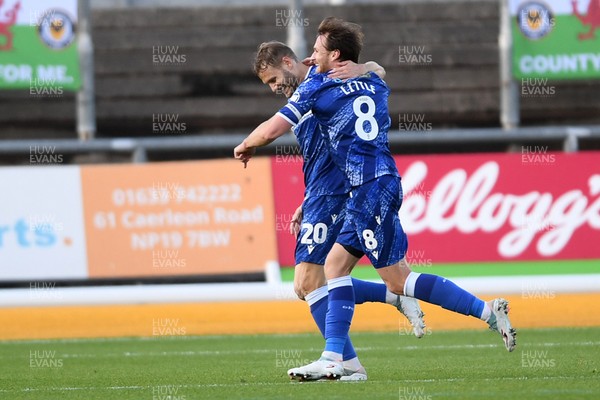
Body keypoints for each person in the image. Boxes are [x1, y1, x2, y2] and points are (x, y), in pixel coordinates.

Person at [235, 18, 516, 382]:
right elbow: (373, 77)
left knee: (369, 280)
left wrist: (245, 144)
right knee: (334, 271)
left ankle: (481, 311)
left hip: (359, 189)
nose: (311, 57)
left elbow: (274, 129)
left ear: (329, 56)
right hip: (364, 186)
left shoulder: (315, 89)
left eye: (317, 52)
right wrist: (365, 65)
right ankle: (346, 354)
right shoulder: (370, 81)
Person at [251, 41, 426, 381]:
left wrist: (364, 67)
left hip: (341, 192)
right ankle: (386, 306)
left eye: (274, 80)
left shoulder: (325, 78)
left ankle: (346, 362)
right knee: (311, 282)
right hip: (322, 192)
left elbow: (376, 72)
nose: (274, 88)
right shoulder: (299, 97)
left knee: (308, 280)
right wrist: (307, 199)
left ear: (288, 62)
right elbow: (325, 151)